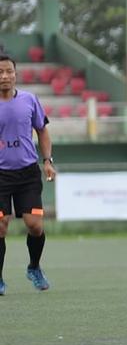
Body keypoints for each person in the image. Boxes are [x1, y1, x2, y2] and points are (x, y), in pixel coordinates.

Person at [0, 55, 56, 295]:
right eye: (0, 72)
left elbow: (42, 131)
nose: (4, 76)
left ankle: (34, 267)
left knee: (34, 225)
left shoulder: (29, 100)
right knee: (1, 225)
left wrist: (47, 161)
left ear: (16, 74)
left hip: (28, 173)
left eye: (8, 71)